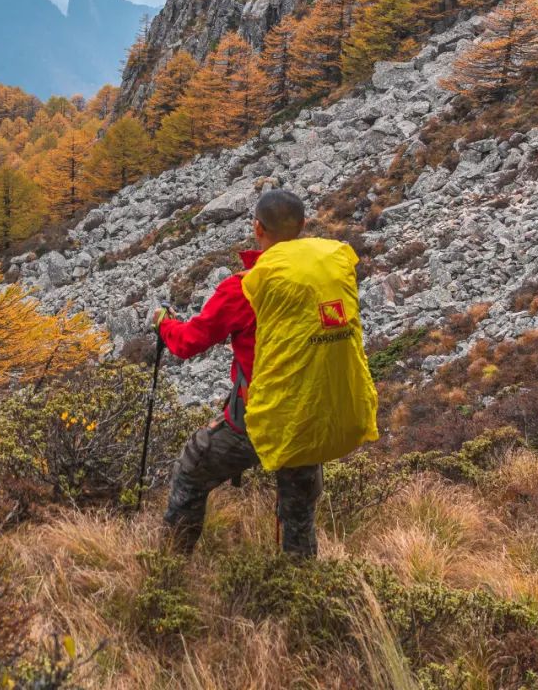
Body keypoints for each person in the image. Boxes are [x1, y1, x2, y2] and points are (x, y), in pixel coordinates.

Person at [150, 188, 377, 557]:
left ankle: (170, 565)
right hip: (311, 413)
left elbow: (188, 342)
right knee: (298, 510)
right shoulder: (328, 275)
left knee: (193, 467)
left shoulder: (245, 287)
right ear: (303, 225)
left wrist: (164, 324)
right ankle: (300, 579)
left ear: (257, 227)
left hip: (260, 419)